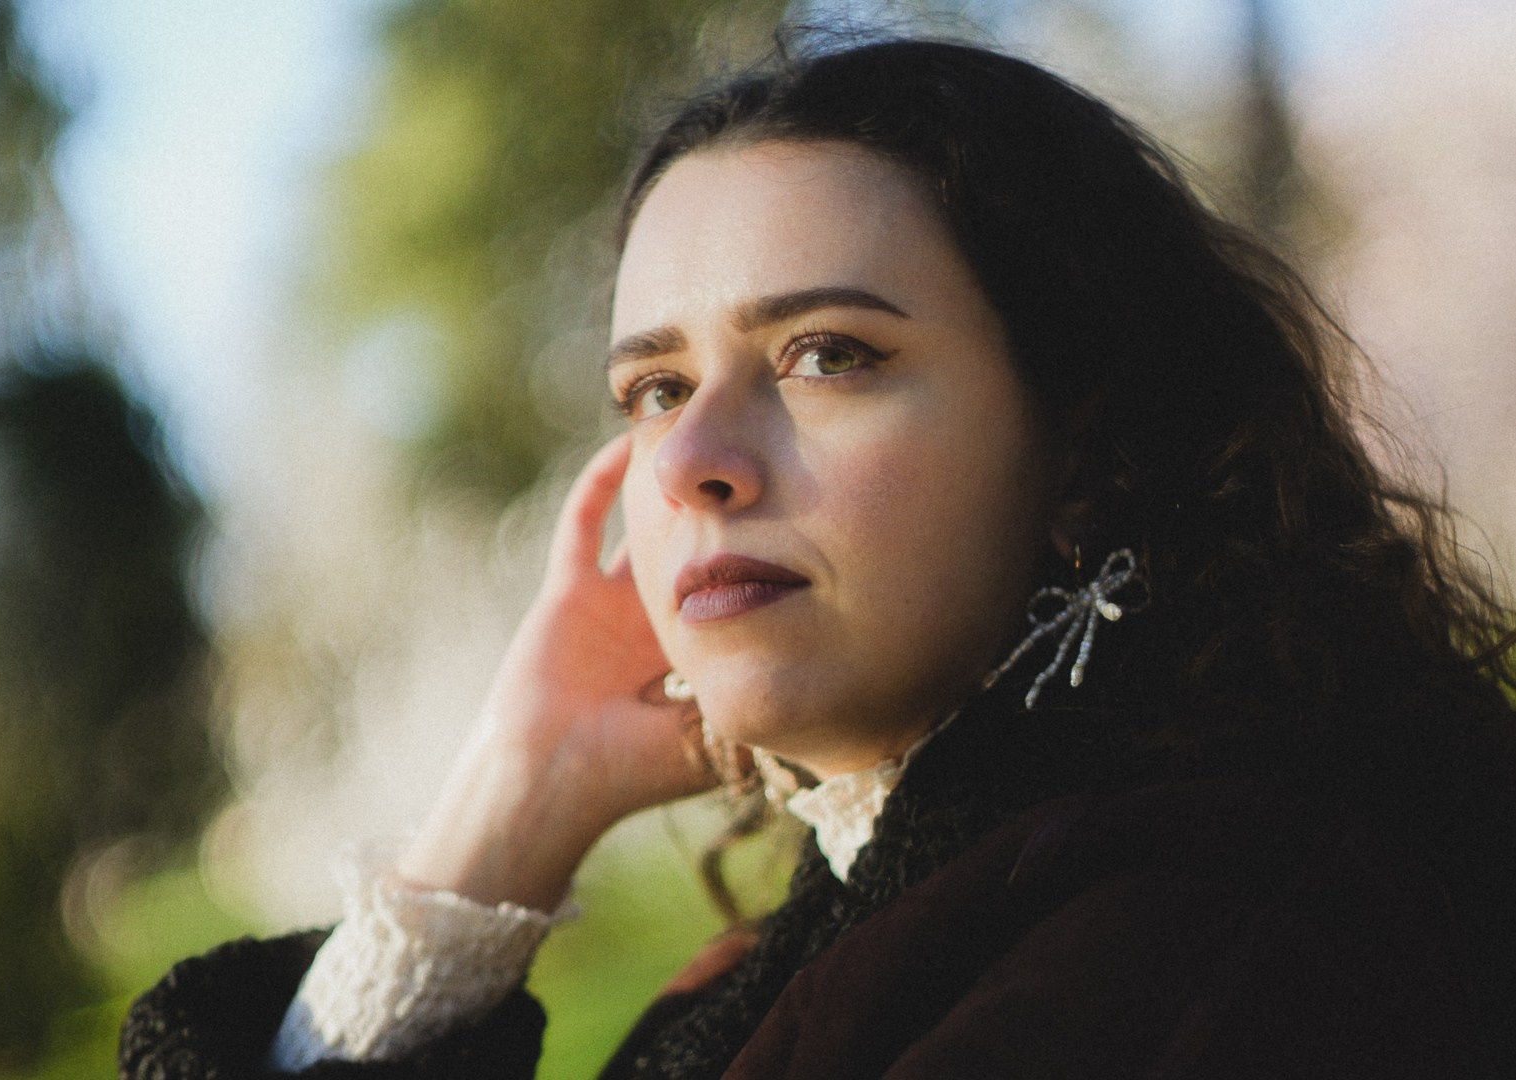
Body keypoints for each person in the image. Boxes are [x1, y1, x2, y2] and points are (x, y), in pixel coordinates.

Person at [119, 33, 1516, 1079]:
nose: (689, 460)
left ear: (1090, 451)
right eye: (655, 387)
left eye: (823, 356)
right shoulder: (837, 937)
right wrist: (517, 796)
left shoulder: (1213, 940)